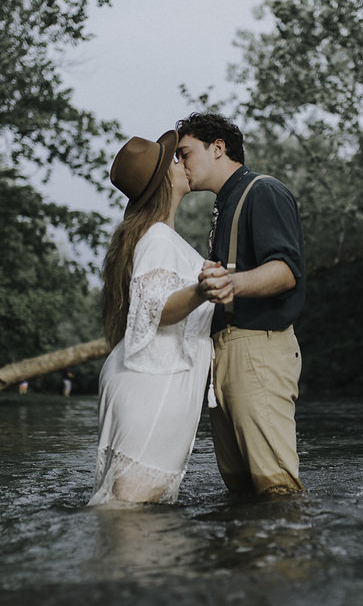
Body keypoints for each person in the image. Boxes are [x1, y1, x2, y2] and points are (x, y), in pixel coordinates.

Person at [174, 112, 307, 496]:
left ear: (217, 148)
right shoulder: (225, 203)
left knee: (274, 485)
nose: (180, 165)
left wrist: (231, 282)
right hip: (226, 353)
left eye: (185, 153)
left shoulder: (263, 191)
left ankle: (284, 555)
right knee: (241, 487)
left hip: (258, 347)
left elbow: (286, 271)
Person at [89, 130, 216, 505]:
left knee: (125, 506)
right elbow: (155, 309)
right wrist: (203, 290)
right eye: (174, 160)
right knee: (129, 507)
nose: (181, 162)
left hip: (149, 379)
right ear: (164, 180)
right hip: (154, 383)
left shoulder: (157, 235)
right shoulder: (158, 237)